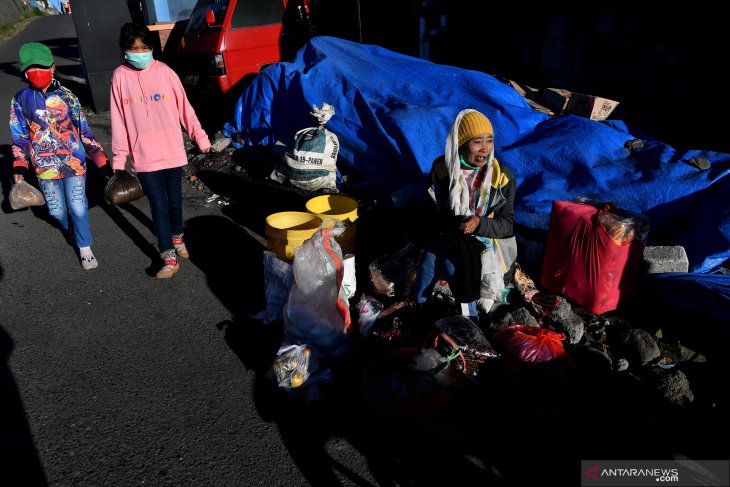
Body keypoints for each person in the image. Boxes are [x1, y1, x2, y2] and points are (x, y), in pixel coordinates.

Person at [110, 23, 211, 278]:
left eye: (145, 47)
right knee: (158, 204)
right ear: (124, 49)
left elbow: (184, 108)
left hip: (172, 149)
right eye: (134, 48)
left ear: (152, 48)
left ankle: (178, 239)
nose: (140, 52)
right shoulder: (119, 77)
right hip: (143, 155)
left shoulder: (165, 72)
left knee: (175, 201)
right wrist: (120, 157)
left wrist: (200, 137)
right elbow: (118, 120)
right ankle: (168, 256)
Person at [10, 41, 112, 270]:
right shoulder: (20, 100)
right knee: (56, 211)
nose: (36, 72)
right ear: (24, 72)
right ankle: (71, 228)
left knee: (77, 206)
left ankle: (85, 247)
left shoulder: (69, 97)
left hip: (74, 163)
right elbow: (19, 136)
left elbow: (84, 130)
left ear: (53, 67)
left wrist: (101, 160)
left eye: (41, 66)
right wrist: (19, 165)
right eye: (31, 68)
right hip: (44, 166)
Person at [411, 109, 517, 317]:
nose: (484, 149)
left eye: (489, 141)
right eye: (477, 141)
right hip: (449, 232)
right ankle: (417, 308)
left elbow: (507, 224)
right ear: (460, 143)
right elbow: (431, 213)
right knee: (427, 263)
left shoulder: (501, 176)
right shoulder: (443, 170)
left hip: (486, 238)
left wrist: (479, 223)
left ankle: (470, 319)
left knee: (455, 266)